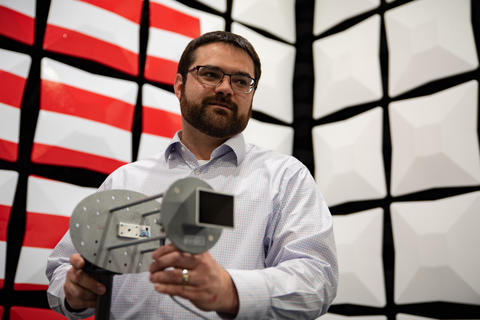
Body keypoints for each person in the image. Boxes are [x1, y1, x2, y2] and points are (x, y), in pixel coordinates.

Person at [46, 31, 338, 319]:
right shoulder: (125, 180)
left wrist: (230, 290)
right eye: (210, 74)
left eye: (240, 81)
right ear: (179, 84)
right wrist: (72, 292)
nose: (225, 88)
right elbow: (61, 269)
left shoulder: (285, 178)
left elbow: (317, 280)